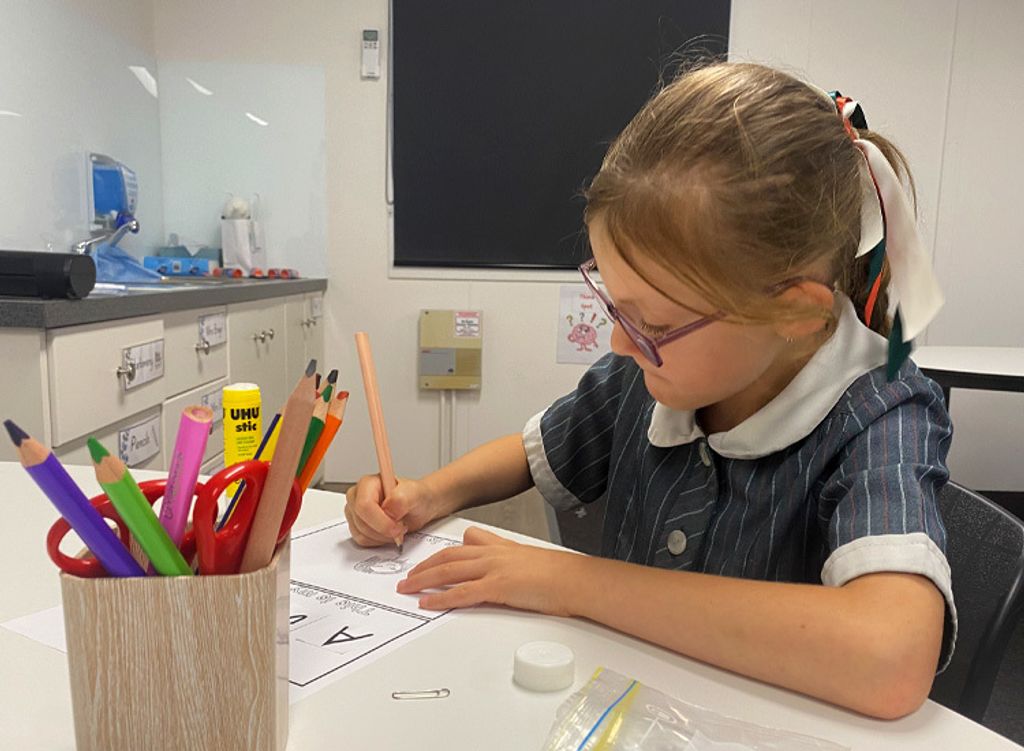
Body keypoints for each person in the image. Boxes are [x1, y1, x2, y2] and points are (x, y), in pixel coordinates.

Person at [344, 62, 953, 719]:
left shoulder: (880, 411)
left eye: (654, 324)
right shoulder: (650, 376)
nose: (620, 343)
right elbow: (532, 450)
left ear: (795, 313)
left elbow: (891, 656)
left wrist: (574, 581)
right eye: (616, 305)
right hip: (625, 714)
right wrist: (427, 494)